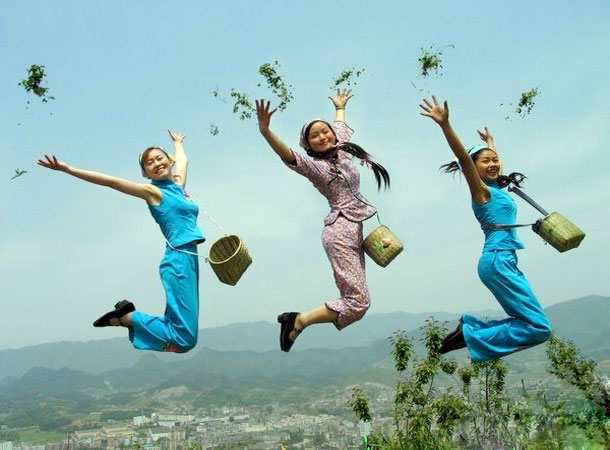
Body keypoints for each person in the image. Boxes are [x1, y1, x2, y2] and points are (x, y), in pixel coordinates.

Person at [37, 130, 204, 353]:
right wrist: (68, 169)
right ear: (145, 173)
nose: (156, 163)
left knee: (184, 335)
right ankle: (127, 317)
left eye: (159, 157)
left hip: (190, 260)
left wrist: (177, 143)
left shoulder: (178, 186)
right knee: (184, 340)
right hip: (177, 262)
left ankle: (127, 316)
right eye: (149, 163)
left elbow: (183, 160)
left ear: (169, 161)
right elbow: (112, 182)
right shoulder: (152, 191)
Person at [255, 90, 390, 352]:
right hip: (340, 231)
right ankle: (298, 321)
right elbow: (289, 156)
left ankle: (298, 320)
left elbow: (339, 127)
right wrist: (266, 132)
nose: (322, 136)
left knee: (358, 300)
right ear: (309, 145)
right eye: (314, 136)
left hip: (353, 228)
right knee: (358, 301)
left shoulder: (343, 152)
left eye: (324, 131)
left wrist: (340, 107)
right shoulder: (317, 167)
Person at [420, 96, 552, 361]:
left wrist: (490, 144)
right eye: (486, 161)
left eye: (496, 160)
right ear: (473, 167)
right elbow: (463, 157)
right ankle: (471, 334)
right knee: (540, 328)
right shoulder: (481, 192)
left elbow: (491, 161)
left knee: (532, 323)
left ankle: (471, 330)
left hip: (505, 260)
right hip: (497, 260)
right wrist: (445, 125)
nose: (493, 164)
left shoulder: (495, 189)